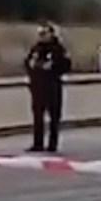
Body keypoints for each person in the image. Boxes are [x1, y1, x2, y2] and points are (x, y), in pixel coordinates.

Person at [24, 22, 71, 152]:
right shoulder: (36, 48)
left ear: (51, 34)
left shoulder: (58, 49)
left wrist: (53, 68)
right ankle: (37, 143)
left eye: (44, 33)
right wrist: (32, 69)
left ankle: (52, 144)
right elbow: (27, 63)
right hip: (37, 87)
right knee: (37, 116)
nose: (41, 36)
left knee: (54, 116)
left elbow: (66, 65)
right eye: (40, 34)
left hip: (53, 86)